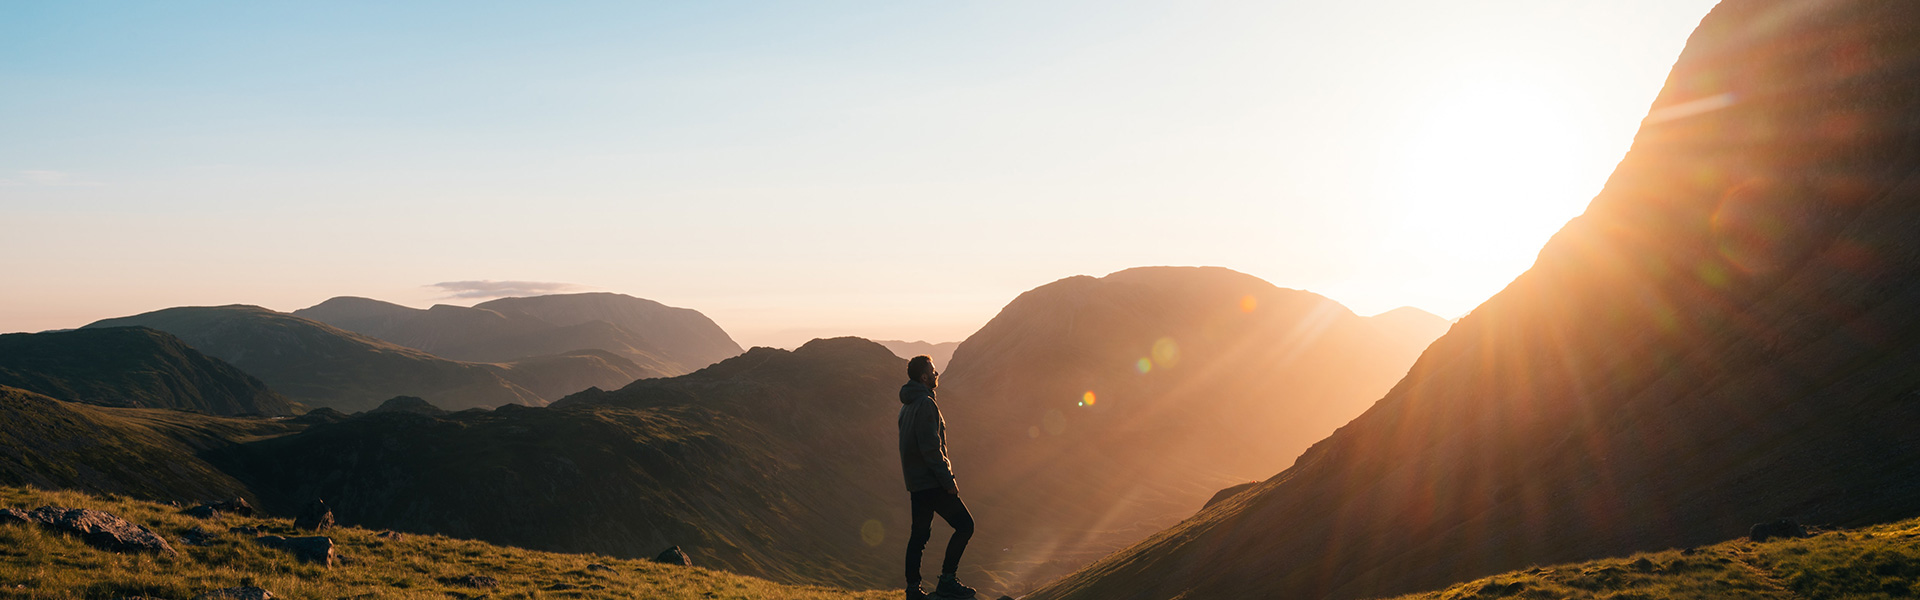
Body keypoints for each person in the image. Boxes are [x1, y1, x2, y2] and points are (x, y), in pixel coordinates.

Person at [899, 355, 977, 599]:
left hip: (917, 484)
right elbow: (932, 449)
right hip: (932, 482)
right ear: (924, 377)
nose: (936, 374)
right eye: (933, 371)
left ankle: (913, 590)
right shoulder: (925, 404)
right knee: (965, 526)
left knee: (919, 537)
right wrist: (948, 481)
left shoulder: (907, 406)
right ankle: (947, 580)